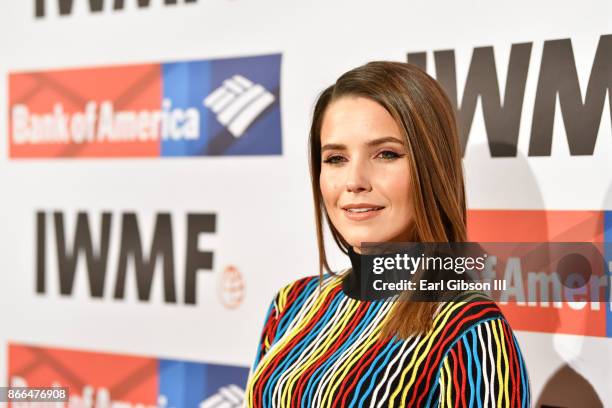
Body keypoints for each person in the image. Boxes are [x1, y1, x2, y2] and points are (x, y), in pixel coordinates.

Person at [243, 61, 531, 407]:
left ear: (432, 168)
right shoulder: (291, 304)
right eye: (336, 158)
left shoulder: (467, 328)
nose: (354, 181)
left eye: (386, 154)